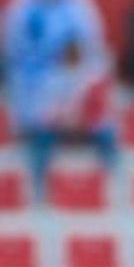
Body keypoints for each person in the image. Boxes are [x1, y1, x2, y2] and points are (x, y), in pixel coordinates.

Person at [0, 0, 106, 136]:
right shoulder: (24, 4)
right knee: (34, 105)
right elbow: (11, 41)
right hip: (33, 70)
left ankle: (83, 133)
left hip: (74, 67)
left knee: (89, 85)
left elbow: (92, 38)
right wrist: (45, 56)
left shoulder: (79, 3)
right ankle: (36, 135)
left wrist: (73, 52)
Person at [20, 36, 118, 196]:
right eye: (70, 53)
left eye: (76, 53)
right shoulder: (52, 78)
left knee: (107, 134)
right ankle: (40, 188)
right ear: (63, 55)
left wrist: (85, 122)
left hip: (86, 127)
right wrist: (62, 121)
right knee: (40, 139)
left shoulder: (90, 78)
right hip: (60, 127)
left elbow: (100, 108)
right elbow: (45, 110)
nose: (73, 56)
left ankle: (112, 184)